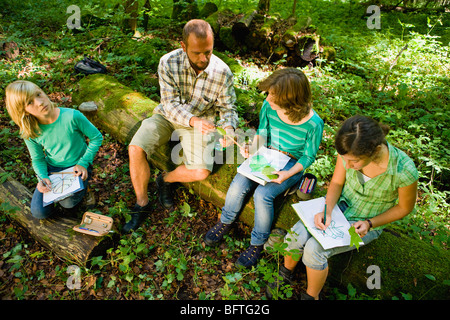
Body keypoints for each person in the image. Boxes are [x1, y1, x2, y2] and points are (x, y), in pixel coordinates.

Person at [267, 115, 419, 300]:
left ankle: (312, 296)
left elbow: (404, 208)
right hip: (339, 207)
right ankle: (285, 272)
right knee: (296, 235)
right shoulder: (349, 149)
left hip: (365, 222)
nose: (347, 165)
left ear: (375, 150)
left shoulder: (403, 171)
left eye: (353, 161)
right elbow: (337, 182)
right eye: (345, 159)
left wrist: (370, 223)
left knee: (315, 249)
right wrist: (327, 209)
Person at [124, 19, 238, 233]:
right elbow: (169, 104)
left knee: (202, 171)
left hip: (200, 125)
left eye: (209, 52)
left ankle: (165, 180)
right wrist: (192, 119)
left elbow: (228, 109)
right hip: (168, 116)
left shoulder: (223, 72)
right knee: (135, 147)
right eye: (197, 53)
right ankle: (142, 203)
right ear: (183, 46)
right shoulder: (168, 62)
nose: (204, 59)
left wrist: (228, 128)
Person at [204, 68, 324, 268]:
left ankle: (257, 243)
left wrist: (287, 174)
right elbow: (262, 132)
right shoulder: (268, 107)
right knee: (239, 180)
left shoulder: (313, 123)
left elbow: (308, 156)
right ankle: (225, 222)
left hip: (291, 163)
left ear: (291, 100)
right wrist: (253, 148)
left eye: (273, 95)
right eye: (268, 93)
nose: (267, 98)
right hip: (267, 154)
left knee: (263, 195)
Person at [5, 80, 103, 219]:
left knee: (68, 203)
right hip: (53, 169)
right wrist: (42, 178)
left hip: (77, 166)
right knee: (39, 212)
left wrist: (83, 163)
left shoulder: (72, 117)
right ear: (24, 112)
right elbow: (38, 158)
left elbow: (96, 138)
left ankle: (83, 191)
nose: (39, 102)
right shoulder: (30, 131)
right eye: (29, 102)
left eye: (38, 94)